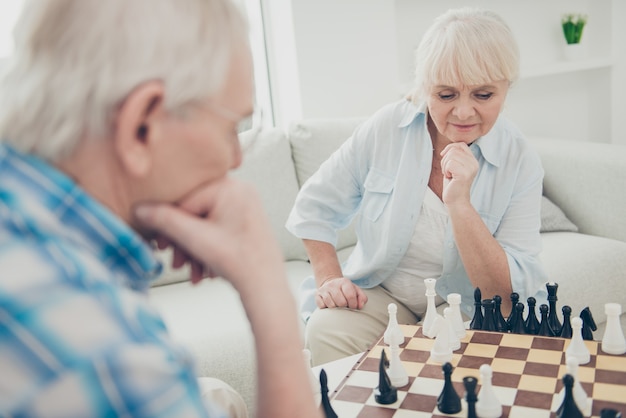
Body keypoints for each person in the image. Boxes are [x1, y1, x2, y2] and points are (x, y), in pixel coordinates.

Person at [0, 1, 320, 417]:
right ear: (140, 127)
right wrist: (270, 291)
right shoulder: (108, 357)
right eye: (232, 128)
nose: (237, 159)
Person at [286, 7, 548, 365]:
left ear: (506, 89)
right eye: (446, 95)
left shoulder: (520, 161)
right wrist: (329, 278)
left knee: (448, 362)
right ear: (425, 88)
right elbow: (314, 206)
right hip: (379, 294)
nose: (463, 113)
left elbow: (502, 295)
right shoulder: (386, 128)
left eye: (483, 96)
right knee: (325, 328)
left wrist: (460, 204)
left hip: (465, 305)